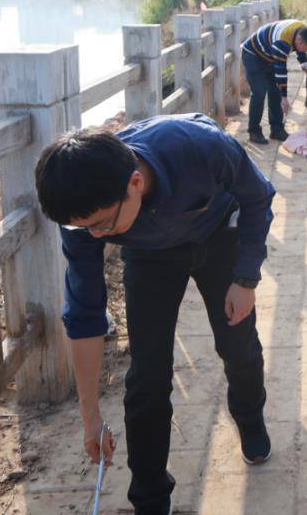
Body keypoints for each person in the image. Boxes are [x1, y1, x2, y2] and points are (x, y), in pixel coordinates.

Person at [33, 114, 276, 515]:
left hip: (217, 235)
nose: (95, 236)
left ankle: (250, 418)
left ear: (135, 183)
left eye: (101, 226)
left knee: (238, 345)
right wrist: (90, 415)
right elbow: (85, 314)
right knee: (147, 377)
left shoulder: (201, 146)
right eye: (84, 228)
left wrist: (246, 278)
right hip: (149, 256)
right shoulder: (85, 218)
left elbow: (258, 196)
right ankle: (149, 497)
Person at [241, 19, 307, 144]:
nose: (305, 51)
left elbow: (300, 50)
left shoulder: (303, 30)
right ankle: (254, 131)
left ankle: (277, 130)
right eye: (306, 48)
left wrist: (304, 63)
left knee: (275, 92)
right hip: (253, 55)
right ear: (300, 40)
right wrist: (284, 98)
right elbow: (281, 71)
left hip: (269, 54)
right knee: (259, 93)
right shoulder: (282, 43)